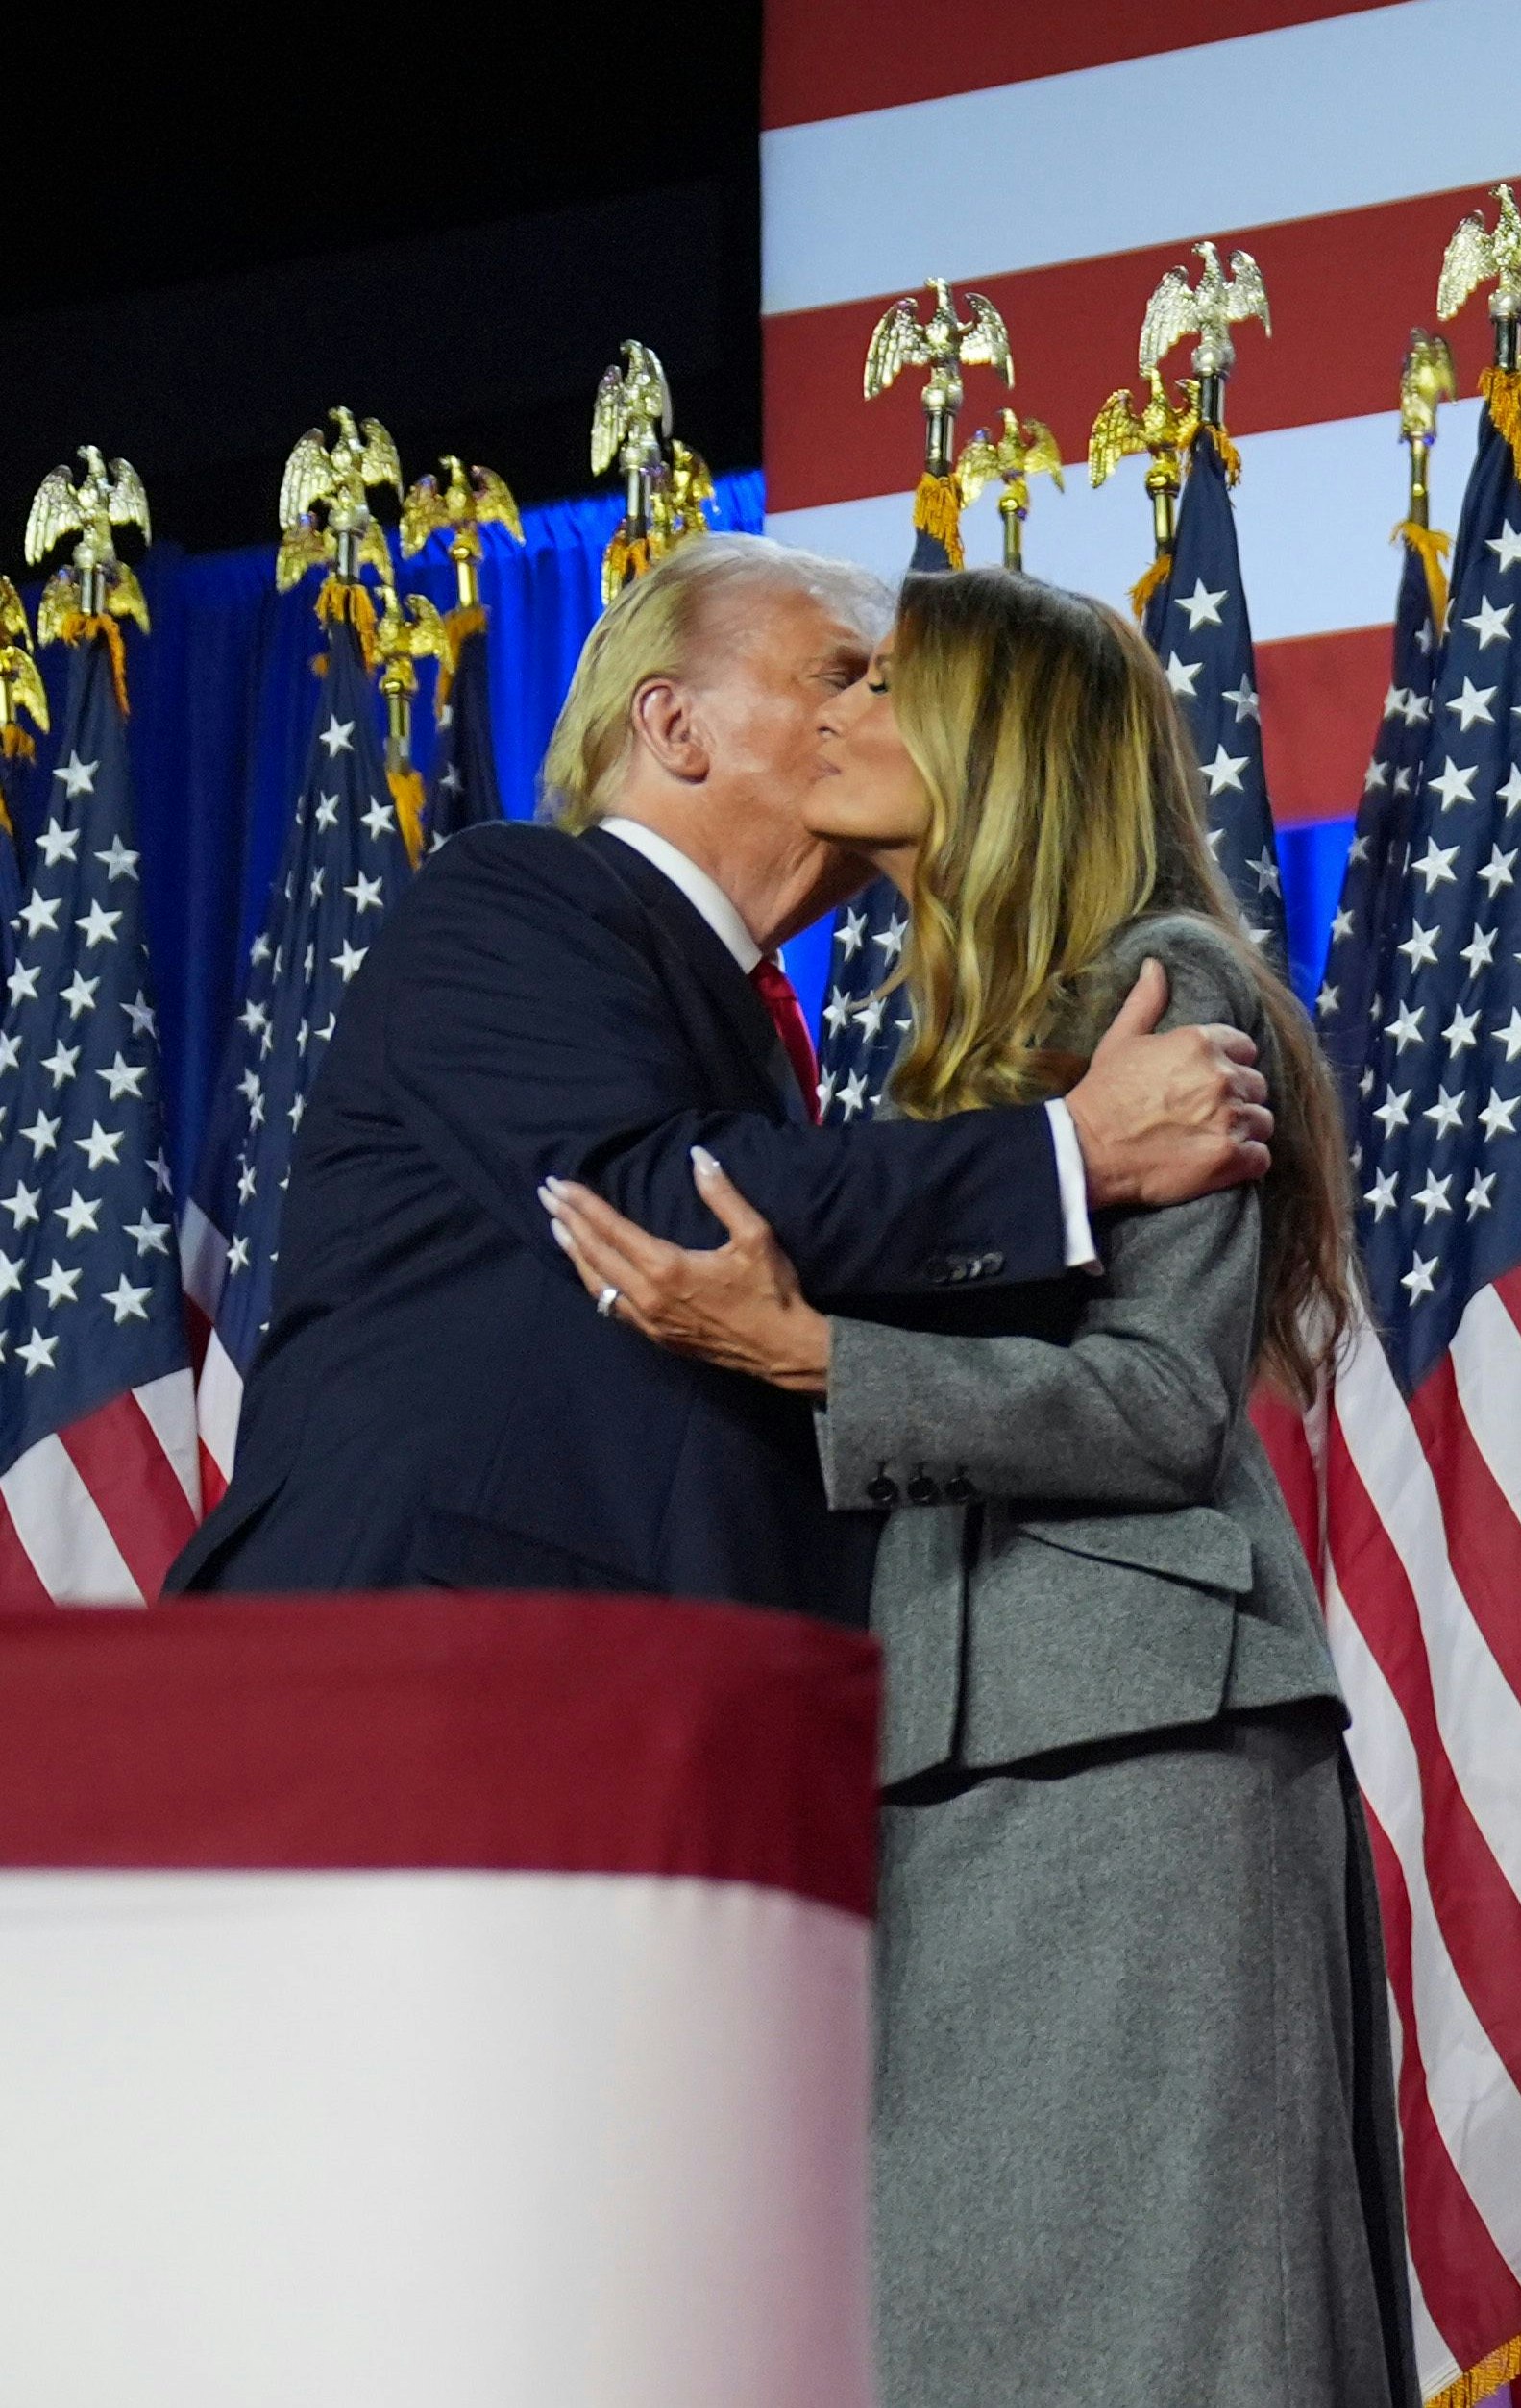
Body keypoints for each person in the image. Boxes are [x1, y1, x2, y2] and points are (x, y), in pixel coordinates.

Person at [535, 569, 1412, 2408]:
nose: (837, 717)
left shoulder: (1165, 989)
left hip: (1137, 1765)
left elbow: (1156, 1407)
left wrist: (812, 1359)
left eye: (879, 687)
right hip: (944, 1773)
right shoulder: (954, 1052)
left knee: (1175, 2343)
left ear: (996, 743)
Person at [168, 536, 1271, 1621]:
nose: (869, 715)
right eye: (842, 675)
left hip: (650, 1688)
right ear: (674, 724)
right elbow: (665, 1202)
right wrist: (1074, 1152)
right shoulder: (519, 896)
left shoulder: (801, 1038)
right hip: (426, 1661)